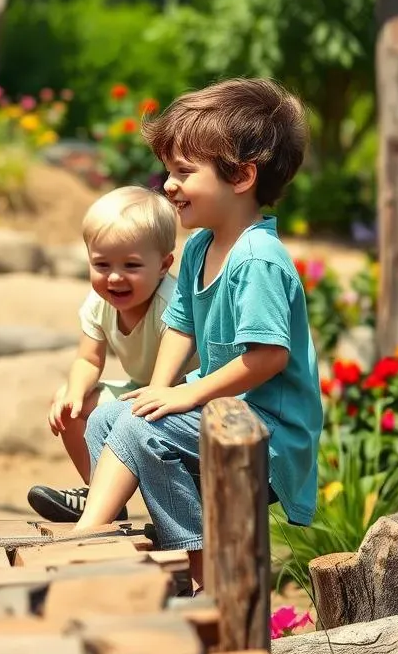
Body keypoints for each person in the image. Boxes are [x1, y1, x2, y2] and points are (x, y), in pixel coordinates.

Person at [73, 79, 322, 595]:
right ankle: (120, 540)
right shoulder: (200, 248)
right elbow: (181, 324)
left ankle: (197, 572)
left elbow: (269, 356)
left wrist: (182, 395)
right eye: (169, 171)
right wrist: (156, 391)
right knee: (109, 417)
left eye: (184, 172)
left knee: (145, 431)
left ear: (242, 176)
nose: (168, 185)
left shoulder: (256, 260)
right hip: (221, 412)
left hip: (268, 434)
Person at [27, 186, 193, 523]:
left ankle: (106, 498)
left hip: (181, 392)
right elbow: (88, 359)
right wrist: (75, 391)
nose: (114, 277)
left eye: (131, 265)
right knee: (71, 404)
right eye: (101, 264)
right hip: (139, 387)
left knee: (125, 413)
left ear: (163, 265)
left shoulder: (170, 304)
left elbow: (177, 368)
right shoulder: (99, 304)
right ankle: (101, 495)